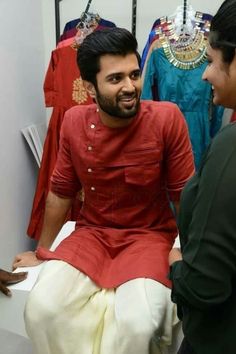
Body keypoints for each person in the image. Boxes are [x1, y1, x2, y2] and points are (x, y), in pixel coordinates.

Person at [13, 27, 194, 354]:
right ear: (89, 88)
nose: (130, 87)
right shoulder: (73, 122)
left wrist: (190, 257)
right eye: (115, 79)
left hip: (149, 236)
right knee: (41, 309)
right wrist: (42, 253)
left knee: (140, 324)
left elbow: (185, 196)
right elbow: (60, 192)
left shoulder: (167, 119)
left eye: (135, 74)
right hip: (93, 233)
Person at [169, 1, 236, 353]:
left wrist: (176, 264)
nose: (204, 75)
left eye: (210, 61)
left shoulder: (230, 149)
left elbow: (204, 286)